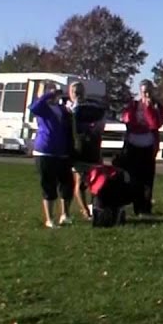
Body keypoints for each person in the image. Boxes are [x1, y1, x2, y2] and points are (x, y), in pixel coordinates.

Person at [29, 83, 75, 227]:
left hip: (62, 152)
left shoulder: (62, 109)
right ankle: (50, 219)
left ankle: (65, 214)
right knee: (49, 185)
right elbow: (34, 107)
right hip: (45, 151)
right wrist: (49, 95)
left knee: (67, 184)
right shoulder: (42, 108)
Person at [120, 80, 163, 215]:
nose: (146, 94)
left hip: (148, 146)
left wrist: (149, 108)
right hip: (133, 145)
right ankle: (136, 206)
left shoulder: (157, 106)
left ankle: (146, 207)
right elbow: (128, 121)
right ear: (140, 91)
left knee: (147, 180)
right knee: (134, 179)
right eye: (144, 91)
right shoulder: (133, 105)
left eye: (149, 91)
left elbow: (155, 124)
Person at [68, 81, 107, 220]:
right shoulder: (69, 108)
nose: (77, 94)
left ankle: (94, 207)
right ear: (70, 93)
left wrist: (97, 126)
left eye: (79, 91)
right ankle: (85, 210)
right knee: (79, 181)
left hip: (93, 148)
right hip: (78, 149)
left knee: (96, 179)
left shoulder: (91, 106)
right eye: (74, 92)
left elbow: (101, 115)